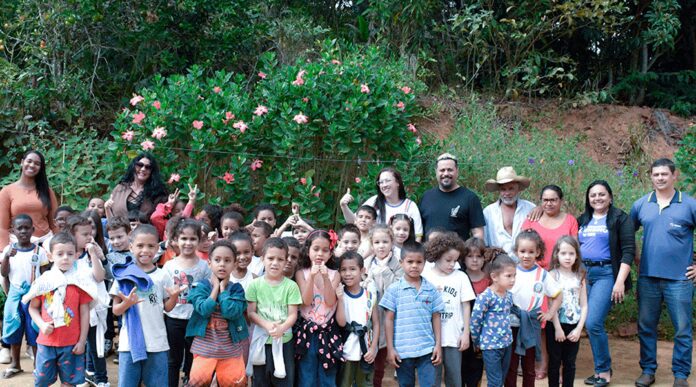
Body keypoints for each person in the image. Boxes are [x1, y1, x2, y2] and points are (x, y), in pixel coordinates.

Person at [630, 158, 696, 387]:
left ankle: (680, 375)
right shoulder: (641, 205)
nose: (660, 178)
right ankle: (648, 370)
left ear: (674, 176)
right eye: (656, 174)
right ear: (650, 176)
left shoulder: (689, 204)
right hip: (648, 277)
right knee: (646, 326)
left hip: (680, 279)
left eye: (664, 174)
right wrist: (636, 257)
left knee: (682, 329)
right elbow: (628, 235)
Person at [576, 180, 635, 387]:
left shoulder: (620, 218)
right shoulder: (582, 220)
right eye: (593, 195)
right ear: (588, 198)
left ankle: (603, 371)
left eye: (602, 194)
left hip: (607, 273)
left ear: (610, 197)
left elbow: (628, 250)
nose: (597, 198)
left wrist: (619, 281)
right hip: (584, 274)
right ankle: (600, 368)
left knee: (593, 322)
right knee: (584, 321)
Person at [110, 224, 180, 386]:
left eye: (150, 246)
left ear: (157, 248)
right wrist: (126, 303)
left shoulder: (162, 276)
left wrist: (174, 296)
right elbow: (116, 310)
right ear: (131, 247)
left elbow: (167, 308)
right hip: (129, 344)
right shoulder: (123, 275)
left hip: (157, 342)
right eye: (140, 246)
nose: (145, 250)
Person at [25, 232, 95, 387]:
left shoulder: (80, 282)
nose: (65, 258)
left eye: (70, 254)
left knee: (70, 381)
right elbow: (33, 308)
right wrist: (42, 325)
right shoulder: (44, 282)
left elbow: (85, 313)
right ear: (50, 256)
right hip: (46, 342)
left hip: (71, 342)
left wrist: (82, 340)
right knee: (42, 380)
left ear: (77, 255)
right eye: (60, 254)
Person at [381, 242, 445, 387]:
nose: (414, 265)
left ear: (424, 263)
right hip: (403, 352)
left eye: (419, 262)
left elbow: (436, 317)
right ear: (401, 262)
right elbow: (388, 320)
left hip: (427, 350)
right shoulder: (394, 290)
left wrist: (438, 346)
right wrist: (390, 349)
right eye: (410, 262)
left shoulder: (431, 289)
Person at [186, 239, 249, 387]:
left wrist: (223, 291)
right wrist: (215, 288)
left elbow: (230, 312)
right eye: (217, 260)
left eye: (227, 260)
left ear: (234, 264)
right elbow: (204, 309)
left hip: (231, 351)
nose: (222, 264)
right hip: (204, 350)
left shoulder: (237, 289)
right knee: (198, 384)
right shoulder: (200, 286)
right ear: (209, 263)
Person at [505, 229, 562, 387]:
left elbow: (558, 295)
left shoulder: (542, 275)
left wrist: (550, 313)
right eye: (522, 251)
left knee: (530, 366)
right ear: (516, 251)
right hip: (511, 324)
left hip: (531, 324)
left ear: (538, 252)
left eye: (531, 252)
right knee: (511, 365)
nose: (526, 255)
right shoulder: (511, 272)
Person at [162, 218, 212, 387]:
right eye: (184, 238)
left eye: (193, 239)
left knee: (193, 358)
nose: (188, 243)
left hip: (196, 320)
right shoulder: (169, 266)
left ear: (200, 240)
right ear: (175, 240)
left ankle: (190, 382)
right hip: (174, 318)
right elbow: (165, 296)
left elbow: (208, 291)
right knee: (173, 360)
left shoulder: (204, 266)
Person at [246, 237, 302, 386]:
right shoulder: (255, 285)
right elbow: (251, 313)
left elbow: (293, 315)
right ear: (263, 259)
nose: (275, 263)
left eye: (280, 259)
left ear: (285, 261)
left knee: (283, 379)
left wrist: (281, 329)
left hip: (284, 341)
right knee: (260, 380)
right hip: (262, 340)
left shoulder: (291, 286)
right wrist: (267, 325)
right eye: (271, 258)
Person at [423, 233, 476, 387]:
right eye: (448, 260)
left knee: (454, 378)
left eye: (455, 260)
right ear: (437, 256)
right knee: (433, 378)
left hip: (454, 336)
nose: (452, 264)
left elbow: (466, 306)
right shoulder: (426, 276)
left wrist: (466, 333)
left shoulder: (461, 277)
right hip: (431, 337)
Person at [1, 215, 49, 379]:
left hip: (34, 296)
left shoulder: (39, 251)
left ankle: (37, 365)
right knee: (14, 328)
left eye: (27, 227)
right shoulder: (9, 250)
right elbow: (4, 274)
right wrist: (7, 257)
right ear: (13, 231)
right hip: (15, 295)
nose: (23, 231)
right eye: (19, 228)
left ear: (32, 230)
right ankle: (15, 364)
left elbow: (44, 274)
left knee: (33, 330)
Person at [294, 230, 343, 386]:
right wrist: (313, 277)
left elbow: (329, 301)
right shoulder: (301, 273)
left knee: (327, 375)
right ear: (308, 250)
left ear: (330, 253)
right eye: (316, 249)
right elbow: (305, 301)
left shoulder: (335, 274)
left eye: (325, 250)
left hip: (328, 332)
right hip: (307, 332)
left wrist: (325, 278)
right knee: (306, 374)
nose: (320, 254)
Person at [363, 224, 403, 387]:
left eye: (385, 242)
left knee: (381, 362)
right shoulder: (366, 263)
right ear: (372, 245)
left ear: (392, 242)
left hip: (388, 318)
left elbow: (394, 291)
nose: (381, 246)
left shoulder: (398, 264)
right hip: (370, 319)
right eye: (377, 242)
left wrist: (384, 270)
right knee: (368, 360)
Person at [470, 254, 517, 387]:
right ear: (494, 277)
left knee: (501, 379)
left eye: (514, 276)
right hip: (490, 346)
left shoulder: (509, 296)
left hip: (507, 343)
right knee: (495, 381)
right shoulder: (485, 297)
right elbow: (475, 321)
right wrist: (477, 341)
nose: (513, 280)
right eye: (508, 276)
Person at [547, 237, 587, 387]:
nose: (567, 257)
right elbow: (551, 305)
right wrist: (557, 328)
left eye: (571, 253)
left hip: (573, 326)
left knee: (570, 363)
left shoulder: (580, 276)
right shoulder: (552, 275)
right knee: (555, 362)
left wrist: (579, 329)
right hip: (556, 325)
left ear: (577, 255)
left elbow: (584, 305)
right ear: (557, 254)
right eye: (563, 253)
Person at [340, 168, 423, 240]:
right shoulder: (374, 201)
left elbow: (418, 235)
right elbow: (354, 221)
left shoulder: (410, 206)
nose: (384, 185)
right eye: (381, 182)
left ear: (398, 183)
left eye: (387, 181)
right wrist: (344, 206)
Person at [335, 251, 380, 387]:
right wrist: (340, 299)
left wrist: (373, 348)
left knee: (364, 383)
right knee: (344, 383)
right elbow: (341, 322)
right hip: (346, 351)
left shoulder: (370, 296)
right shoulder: (340, 294)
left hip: (365, 351)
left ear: (362, 270)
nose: (348, 273)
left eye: (352, 269)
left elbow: (376, 324)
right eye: (343, 270)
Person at [0, 150, 58, 250]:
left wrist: (60, 245)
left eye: (37, 164)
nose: (32, 165)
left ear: (41, 168)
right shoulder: (7, 191)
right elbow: (2, 227)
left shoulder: (47, 191)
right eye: (29, 161)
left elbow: (55, 224)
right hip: (16, 247)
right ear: (22, 162)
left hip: (45, 245)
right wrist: (4, 252)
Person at [419, 153, 485, 241]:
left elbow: (478, 234)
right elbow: (418, 230)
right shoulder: (426, 197)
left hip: (459, 254)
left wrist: (472, 252)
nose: (446, 173)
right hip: (428, 253)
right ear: (436, 172)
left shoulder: (470, 198)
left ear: (457, 171)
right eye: (442, 170)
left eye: (450, 170)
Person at [483, 167, 536, 256]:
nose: (507, 193)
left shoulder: (530, 208)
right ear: (499, 190)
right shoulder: (488, 212)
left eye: (511, 188)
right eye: (503, 189)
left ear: (518, 188)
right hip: (498, 264)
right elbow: (484, 242)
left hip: (525, 263)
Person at [460, 237, 489, 387]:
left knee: (476, 367)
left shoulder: (489, 281)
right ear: (463, 259)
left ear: (484, 259)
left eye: (479, 256)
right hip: (463, 331)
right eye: (470, 256)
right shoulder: (459, 278)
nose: (475, 260)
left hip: (483, 332)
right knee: (461, 366)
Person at [106, 152, 168, 221]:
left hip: (145, 231)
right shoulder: (120, 188)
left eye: (148, 167)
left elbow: (161, 218)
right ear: (133, 166)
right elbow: (110, 217)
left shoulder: (157, 192)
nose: (143, 169)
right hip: (119, 230)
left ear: (152, 172)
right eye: (140, 165)